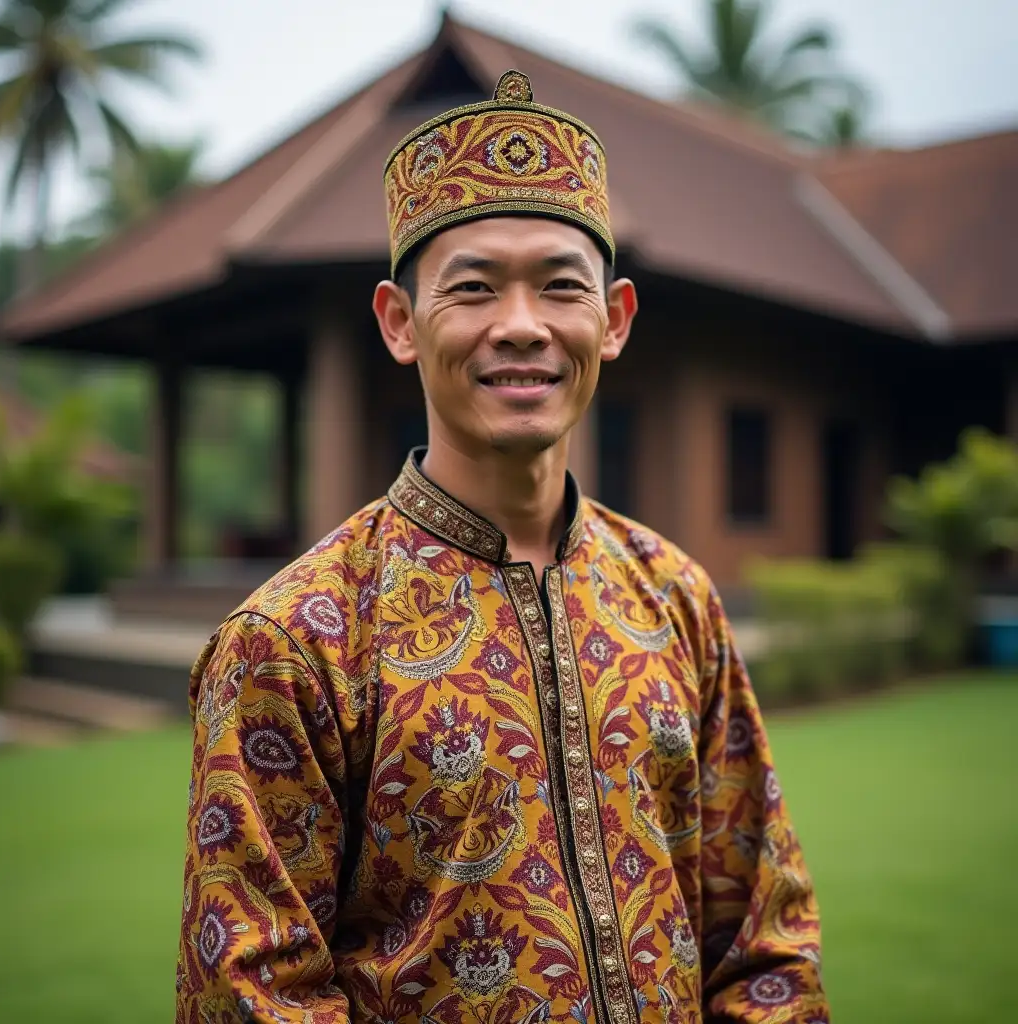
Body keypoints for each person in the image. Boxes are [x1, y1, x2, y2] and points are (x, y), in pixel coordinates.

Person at [176, 70, 827, 1024]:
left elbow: (763, 934)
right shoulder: (294, 640)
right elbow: (249, 993)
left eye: (562, 287)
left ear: (614, 322)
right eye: (473, 288)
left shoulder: (675, 596)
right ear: (401, 324)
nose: (521, 327)